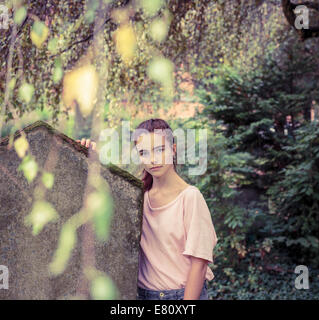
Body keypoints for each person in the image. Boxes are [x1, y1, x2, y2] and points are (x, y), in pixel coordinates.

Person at [76, 118, 218, 300]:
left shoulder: (190, 197)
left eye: (160, 150)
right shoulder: (139, 196)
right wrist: (91, 156)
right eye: (144, 152)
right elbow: (105, 199)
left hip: (181, 297)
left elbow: (199, 265)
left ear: (173, 149)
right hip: (142, 295)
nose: (152, 159)